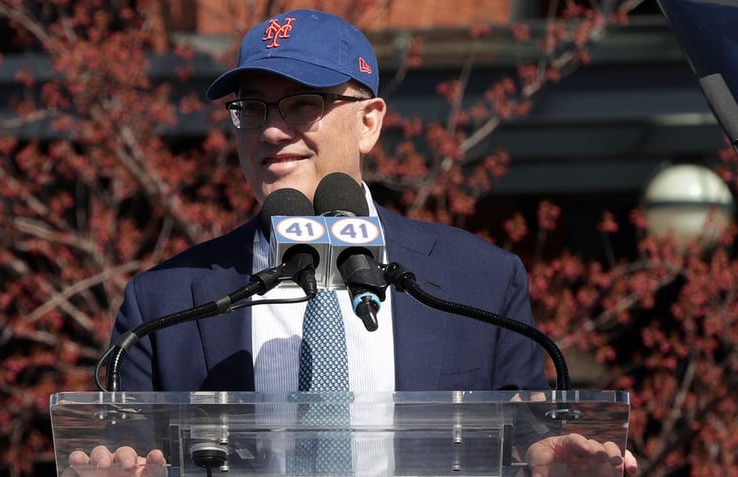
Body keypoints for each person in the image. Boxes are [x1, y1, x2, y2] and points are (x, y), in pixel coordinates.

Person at [69, 8, 638, 476]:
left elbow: (527, 449)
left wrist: (547, 464)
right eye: (251, 109)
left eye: (301, 104)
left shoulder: (480, 281)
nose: (270, 129)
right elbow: (125, 458)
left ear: (369, 122)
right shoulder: (163, 302)